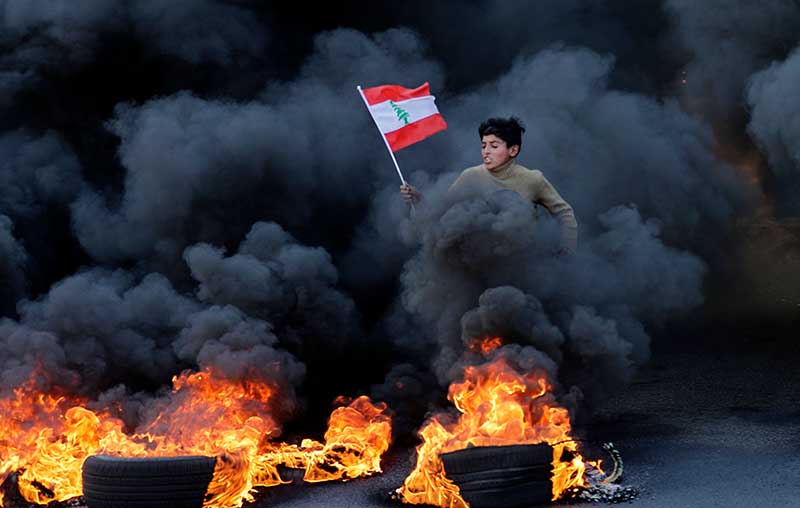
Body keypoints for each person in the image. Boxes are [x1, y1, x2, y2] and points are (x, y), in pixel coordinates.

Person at [400, 116, 578, 254]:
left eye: (494, 146)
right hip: (481, 266)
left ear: (513, 150)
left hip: (525, 265)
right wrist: (417, 199)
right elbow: (439, 215)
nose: (486, 152)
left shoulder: (533, 179)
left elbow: (565, 213)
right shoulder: (471, 176)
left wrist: (566, 251)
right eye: (483, 146)